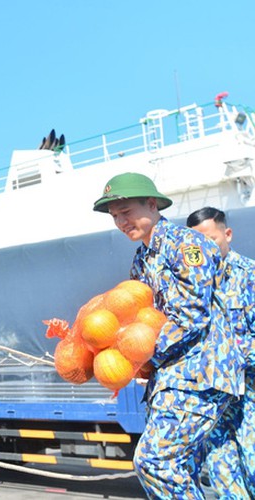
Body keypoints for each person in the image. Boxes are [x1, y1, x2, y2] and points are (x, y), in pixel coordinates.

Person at [92, 172, 244, 498]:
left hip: (201, 373)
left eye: (126, 211)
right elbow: (140, 318)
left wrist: (137, 351)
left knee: (156, 462)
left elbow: (192, 314)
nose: (121, 221)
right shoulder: (142, 259)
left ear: (152, 203)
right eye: (115, 216)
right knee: (220, 473)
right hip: (173, 376)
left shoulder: (187, 244)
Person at [187, 207, 255, 497]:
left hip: (250, 392)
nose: (205, 250)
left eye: (211, 240)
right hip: (212, 398)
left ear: (227, 234)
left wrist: (228, 357)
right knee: (222, 474)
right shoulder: (189, 286)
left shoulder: (250, 276)